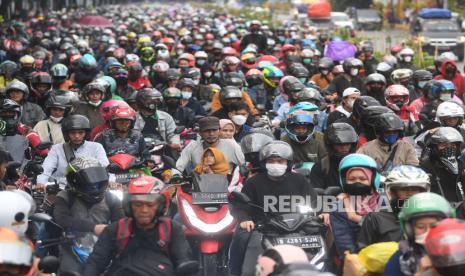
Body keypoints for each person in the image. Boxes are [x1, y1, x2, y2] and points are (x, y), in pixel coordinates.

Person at [231, 141, 318, 276]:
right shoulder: (253, 182)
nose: (276, 164)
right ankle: (235, 271)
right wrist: (244, 219)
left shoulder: (299, 180)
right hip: (262, 228)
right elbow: (240, 205)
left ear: (288, 163)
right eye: (271, 161)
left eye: (280, 161)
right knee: (242, 240)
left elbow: (314, 201)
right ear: (264, 162)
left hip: (298, 226)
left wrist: (323, 212)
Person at [84, 175, 193, 276]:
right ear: (129, 206)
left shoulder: (172, 229)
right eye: (138, 204)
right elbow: (96, 263)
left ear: (161, 206)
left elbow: (183, 259)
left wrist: (185, 266)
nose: (144, 210)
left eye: (150, 204)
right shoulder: (115, 229)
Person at [53, 156, 124, 273]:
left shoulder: (111, 198)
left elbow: (122, 222)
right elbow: (61, 219)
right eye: (89, 181)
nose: (94, 185)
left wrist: (111, 231)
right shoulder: (64, 196)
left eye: (97, 178)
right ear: (74, 181)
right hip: (72, 248)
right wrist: (94, 227)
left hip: (104, 247)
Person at [357, 165, 431, 250]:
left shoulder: (433, 218)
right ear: (392, 192)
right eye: (404, 189)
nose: (410, 194)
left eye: (415, 189)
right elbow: (363, 251)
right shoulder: (375, 218)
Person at [384, 192, 455, 276]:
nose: (428, 232)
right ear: (410, 229)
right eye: (420, 227)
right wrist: (420, 273)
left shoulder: (459, 248)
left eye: (434, 226)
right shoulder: (400, 258)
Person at [330, 153, 381, 256]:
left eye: (363, 179)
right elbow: (345, 243)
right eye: (352, 179)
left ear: (372, 179)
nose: (357, 182)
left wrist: (354, 217)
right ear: (344, 181)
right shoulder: (340, 205)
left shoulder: (384, 200)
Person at [37, 115, 109, 186]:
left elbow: (105, 167)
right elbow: (46, 169)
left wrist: (111, 181)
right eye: (73, 133)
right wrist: (40, 183)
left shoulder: (96, 147)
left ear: (86, 134)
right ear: (67, 134)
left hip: (90, 188)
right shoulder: (56, 148)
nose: (77, 136)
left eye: (80, 132)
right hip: (61, 188)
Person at [176, 116, 244, 174]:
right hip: (199, 186)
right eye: (207, 131)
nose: (211, 134)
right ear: (200, 133)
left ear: (219, 130)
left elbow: (244, 165)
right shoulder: (192, 146)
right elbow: (179, 167)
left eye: (214, 130)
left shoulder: (231, 145)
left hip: (227, 186)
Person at [420, 127, 465, 203]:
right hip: (438, 212)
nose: (449, 148)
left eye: (453, 145)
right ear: (434, 148)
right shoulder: (425, 168)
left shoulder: (461, 166)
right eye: (444, 145)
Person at [310, 123, 358, 189]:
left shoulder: (361, 165)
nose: (344, 147)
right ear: (331, 145)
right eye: (339, 144)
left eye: (347, 144)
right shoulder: (321, 166)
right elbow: (315, 193)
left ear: (352, 144)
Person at [133, 88, 181, 153]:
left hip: (162, 151)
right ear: (142, 101)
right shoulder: (133, 118)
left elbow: (172, 134)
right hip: (139, 151)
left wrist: (175, 143)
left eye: (157, 100)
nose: (156, 102)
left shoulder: (166, 117)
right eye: (152, 100)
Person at [0, 99, 47, 163]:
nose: (8, 115)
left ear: (18, 114)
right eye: (4, 113)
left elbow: (44, 152)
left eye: (11, 113)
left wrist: (43, 154)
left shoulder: (26, 131)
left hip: (20, 169)